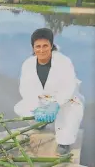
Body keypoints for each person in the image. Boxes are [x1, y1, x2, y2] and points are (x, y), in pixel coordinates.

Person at [14, 28, 84, 156]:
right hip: (44, 98)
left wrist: (56, 104)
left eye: (45, 46)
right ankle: (40, 123)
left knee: (72, 110)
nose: (41, 50)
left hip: (66, 99)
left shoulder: (63, 61)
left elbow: (69, 86)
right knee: (21, 107)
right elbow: (25, 89)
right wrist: (36, 107)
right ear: (33, 48)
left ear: (51, 46)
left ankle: (64, 142)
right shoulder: (28, 64)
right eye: (38, 46)